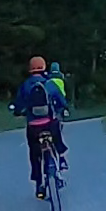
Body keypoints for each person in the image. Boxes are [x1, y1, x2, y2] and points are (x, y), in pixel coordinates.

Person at [13, 56, 69, 200]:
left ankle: (39, 183)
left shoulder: (25, 86)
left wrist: (17, 111)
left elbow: (18, 105)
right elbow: (62, 102)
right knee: (57, 135)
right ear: (44, 67)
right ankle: (61, 158)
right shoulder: (50, 83)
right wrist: (62, 108)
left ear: (30, 69)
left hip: (33, 127)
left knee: (34, 152)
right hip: (50, 123)